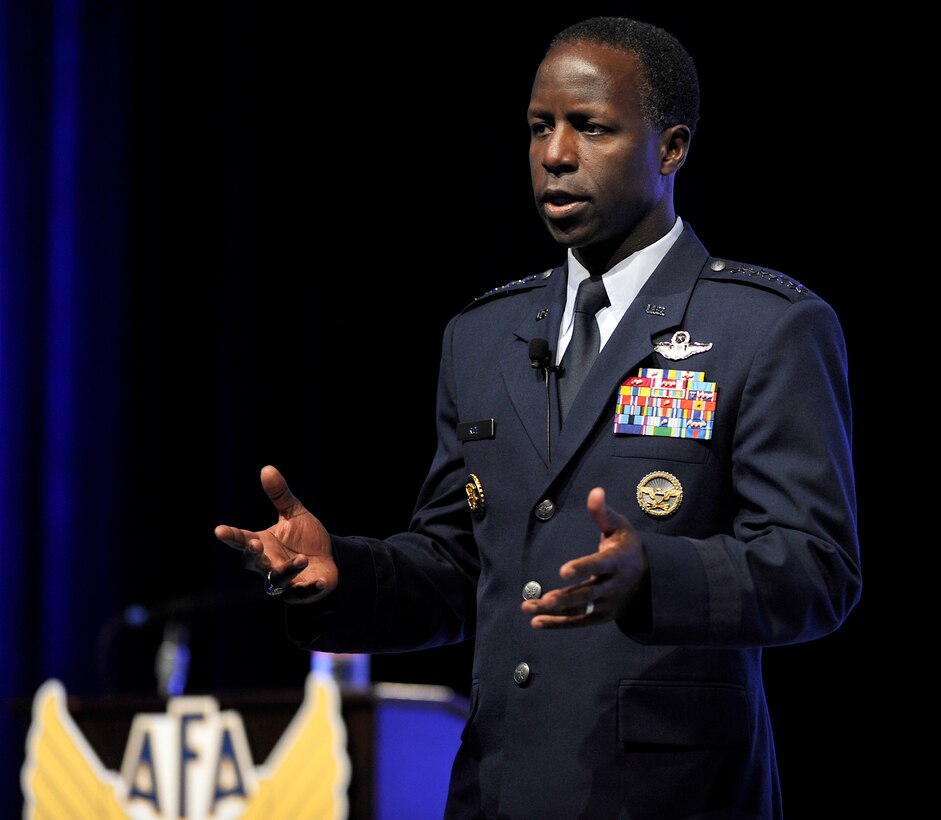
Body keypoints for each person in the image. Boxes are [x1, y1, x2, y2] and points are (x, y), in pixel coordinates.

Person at [214, 16, 861, 819]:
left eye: (590, 128)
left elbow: (814, 566)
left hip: (673, 796)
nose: (555, 154)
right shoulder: (481, 337)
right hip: (499, 789)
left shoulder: (764, 327)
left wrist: (656, 576)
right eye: (538, 128)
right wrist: (345, 576)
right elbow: (458, 569)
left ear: (670, 148)